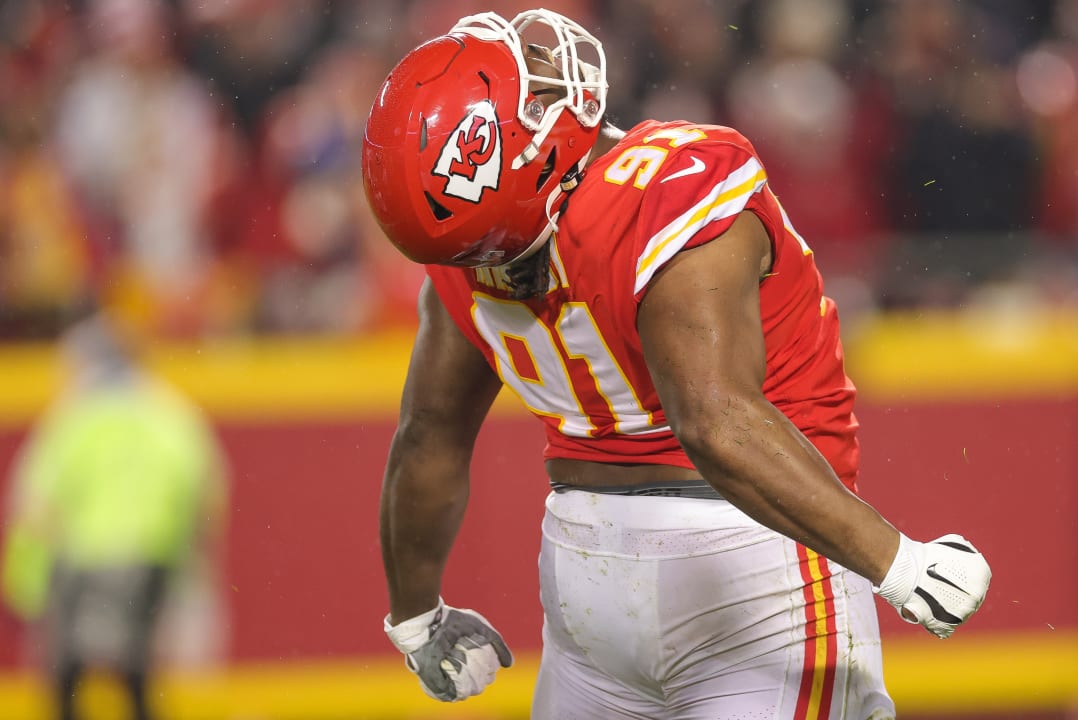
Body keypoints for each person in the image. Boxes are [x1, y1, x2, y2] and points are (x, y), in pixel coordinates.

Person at [362, 10, 992, 718]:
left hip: (583, 570)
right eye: (527, 98)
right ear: (516, 157)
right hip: (753, 559)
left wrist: (416, 619)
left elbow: (429, 436)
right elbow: (714, 421)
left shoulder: (464, 249)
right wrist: (899, 564)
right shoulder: (673, 183)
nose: (541, 84)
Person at [0, 311, 226, 720]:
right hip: (150, 556)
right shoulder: (169, 413)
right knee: (136, 672)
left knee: (66, 677)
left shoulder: (75, 417)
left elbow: (35, 504)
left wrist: (26, 584)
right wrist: (190, 571)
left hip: (81, 558)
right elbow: (204, 491)